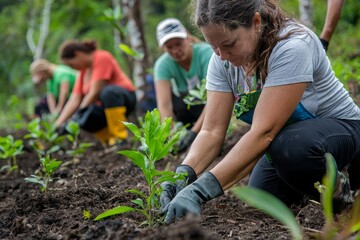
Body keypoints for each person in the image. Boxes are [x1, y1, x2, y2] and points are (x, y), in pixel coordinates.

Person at [160, 0, 360, 224]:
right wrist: (182, 176)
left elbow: (264, 132)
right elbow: (212, 131)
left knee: (292, 148)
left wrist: (199, 191)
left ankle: (346, 196)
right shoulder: (222, 61)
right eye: (213, 46)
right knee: (264, 197)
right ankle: (314, 181)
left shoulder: (292, 45)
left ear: (256, 22)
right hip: (288, 140)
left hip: (344, 132)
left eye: (229, 44)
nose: (221, 55)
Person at [55, 40, 137, 145]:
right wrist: (59, 123)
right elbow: (74, 99)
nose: (73, 68)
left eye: (71, 64)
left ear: (78, 54)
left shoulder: (101, 57)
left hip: (124, 99)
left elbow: (95, 92)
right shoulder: (83, 71)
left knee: (107, 93)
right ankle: (109, 141)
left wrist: (78, 114)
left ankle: (120, 138)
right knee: (86, 118)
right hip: (104, 107)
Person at [154, 18, 213, 153]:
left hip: (210, 108)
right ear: (164, 48)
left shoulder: (206, 54)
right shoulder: (163, 65)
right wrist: (173, 136)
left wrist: (193, 133)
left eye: (178, 44)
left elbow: (214, 100)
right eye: (169, 47)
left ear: (188, 38)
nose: (175, 51)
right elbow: (164, 105)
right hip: (186, 111)